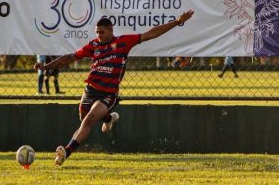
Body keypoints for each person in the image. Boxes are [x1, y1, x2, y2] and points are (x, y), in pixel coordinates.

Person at [34, 10, 194, 166]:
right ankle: (109, 118)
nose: (98, 36)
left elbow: (151, 34)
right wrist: (46, 66)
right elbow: (69, 57)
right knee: (84, 120)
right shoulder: (94, 45)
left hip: (108, 94)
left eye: (102, 32)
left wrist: (178, 21)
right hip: (90, 90)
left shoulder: (124, 42)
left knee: (89, 120)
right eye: (97, 32)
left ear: (111, 30)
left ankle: (65, 153)